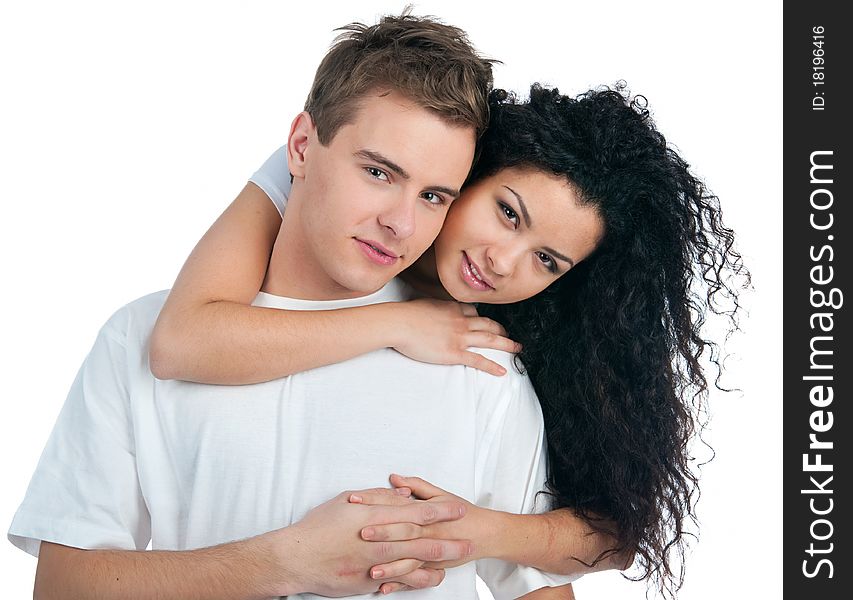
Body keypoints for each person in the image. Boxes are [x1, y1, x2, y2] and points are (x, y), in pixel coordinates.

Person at [8, 12, 597, 599]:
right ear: (300, 147)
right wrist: (283, 562)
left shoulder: (476, 362)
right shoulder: (136, 335)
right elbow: (60, 588)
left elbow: (539, 585)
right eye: (377, 172)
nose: (400, 223)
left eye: (433, 196)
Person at [149, 84, 749, 597]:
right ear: (466, 173)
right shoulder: (318, 168)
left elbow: (616, 533)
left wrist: (470, 531)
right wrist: (396, 323)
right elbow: (180, 342)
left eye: (546, 260)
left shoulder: (491, 360)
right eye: (508, 214)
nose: (503, 261)